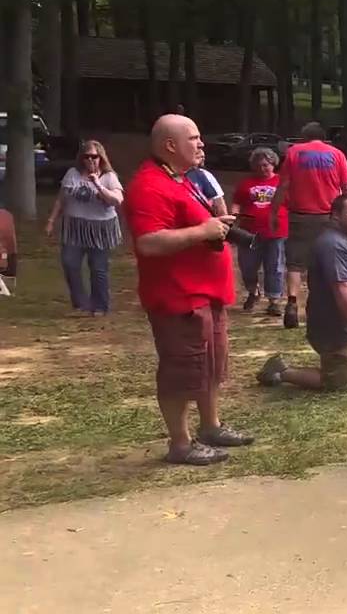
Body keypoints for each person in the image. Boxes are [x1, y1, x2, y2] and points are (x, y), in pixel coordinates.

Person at [122, 114, 254, 466]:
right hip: (178, 297)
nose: (201, 144)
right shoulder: (149, 186)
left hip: (206, 294)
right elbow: (148, 242)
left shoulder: (180, 179)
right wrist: (203, 231)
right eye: (194, 138)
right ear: (170, 145)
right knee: (181, 370)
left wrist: (214, 225)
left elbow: (193, 224)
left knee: (210, 366)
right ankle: (180, 443)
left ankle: (211, 426)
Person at [257, 193, 347, 391]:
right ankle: (281, 371)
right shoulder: (333, 244)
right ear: (335, 215)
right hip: (334, 323)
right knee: (335, 382)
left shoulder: (343, 240)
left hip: (342, 323)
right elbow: (341, 285)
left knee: (343, 366)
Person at [271, 121, 347, 329]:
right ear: (322, 137)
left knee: (295, 263)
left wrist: (274, 211)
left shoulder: (294, 152)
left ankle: (291, 304)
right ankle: (328, 305)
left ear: (303, 137)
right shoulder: (337, 154)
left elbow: (283, 185)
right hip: (329, 216)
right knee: (329, 260)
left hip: (299, 215)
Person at [44, 140, 124, 316]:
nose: (90, 160)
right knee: (69, 263)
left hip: (100, 228)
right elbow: (61, 199)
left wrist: (97, 184)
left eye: (94, 157)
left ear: (100, 157)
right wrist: (51, 221)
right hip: (75, 226)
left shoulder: (109, 177)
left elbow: (116, 200)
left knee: (98, 268)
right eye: (86, 157)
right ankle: (81, 303)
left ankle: (100, 306)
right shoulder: (72, 174)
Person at [231, 147, 287, 316]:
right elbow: (237, 203)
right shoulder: (246, 184)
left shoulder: (281, 182)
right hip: (249, 232)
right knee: (248, 266)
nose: (262, 169)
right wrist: (234, 216)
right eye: (259, 165)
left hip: (276, 231)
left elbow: (291, 203)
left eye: (266, 165)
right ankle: (252, 292)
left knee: (275, 266)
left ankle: (274, 300)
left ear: (273, 164)